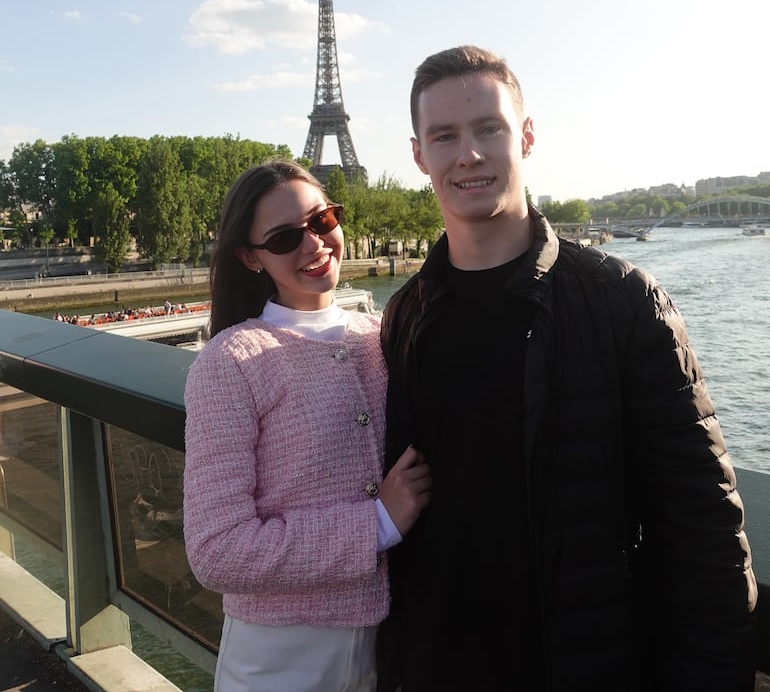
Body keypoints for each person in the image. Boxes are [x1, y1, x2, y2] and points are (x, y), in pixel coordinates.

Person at [376, 45, 758, 691]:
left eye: (489, 128)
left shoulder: (624, 302)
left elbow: (703, 527)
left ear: (526, 137)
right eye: (444, 136)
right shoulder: (405, 314)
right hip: (437, 662)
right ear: (419, 155)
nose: (468, 154)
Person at [183, 158, 431, 692]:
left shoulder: (382, 335)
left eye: (322, 221)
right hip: (280, 660)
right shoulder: (230, 362)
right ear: (250, 257)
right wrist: (376, 523)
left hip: (391, 645)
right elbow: (216, 550)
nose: (314, 244)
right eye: (284, 239)